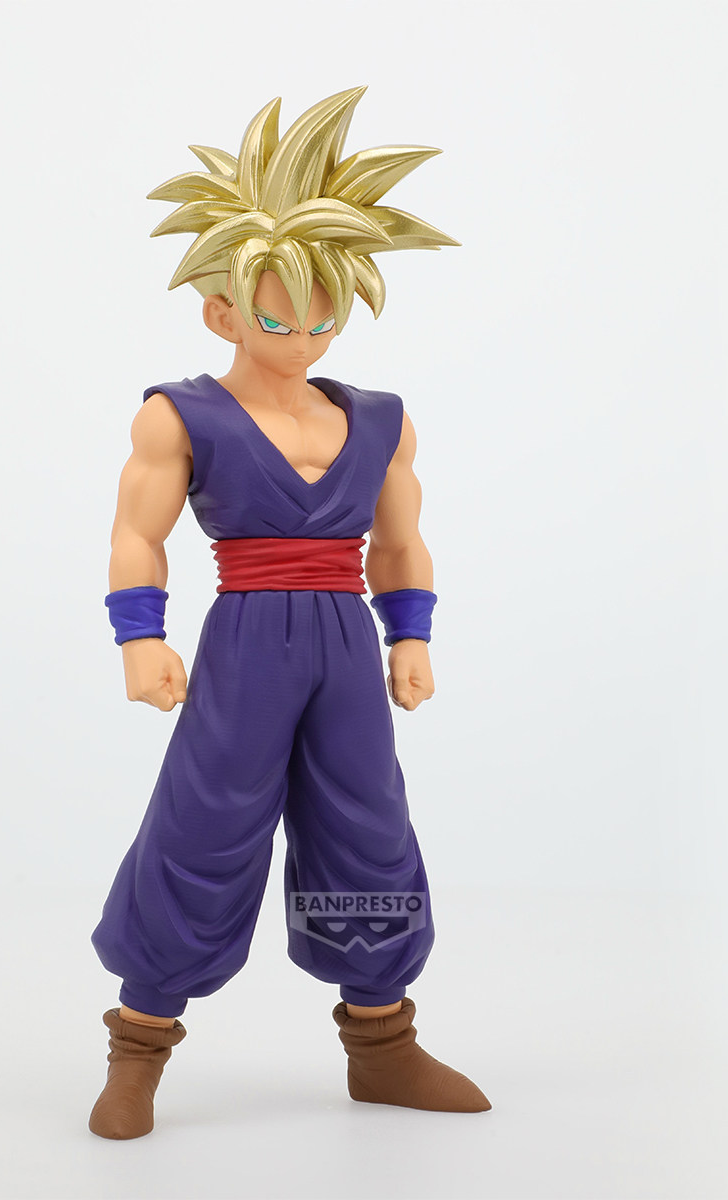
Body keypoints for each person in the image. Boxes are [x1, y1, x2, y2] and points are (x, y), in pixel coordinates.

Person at [88, 87, 491, 1140]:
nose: (304, 335)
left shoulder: (380, 419)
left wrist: (411, 634)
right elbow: (137, 533)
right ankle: (139, 1045)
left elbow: (399, 540)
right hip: (246, 639)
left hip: (346, 641)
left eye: (325, 316)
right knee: (205, 824)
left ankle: (382, 1043)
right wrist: (140, 639)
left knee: (367, 825)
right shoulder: (180, 413)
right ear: (220, 311)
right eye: (277, 316)